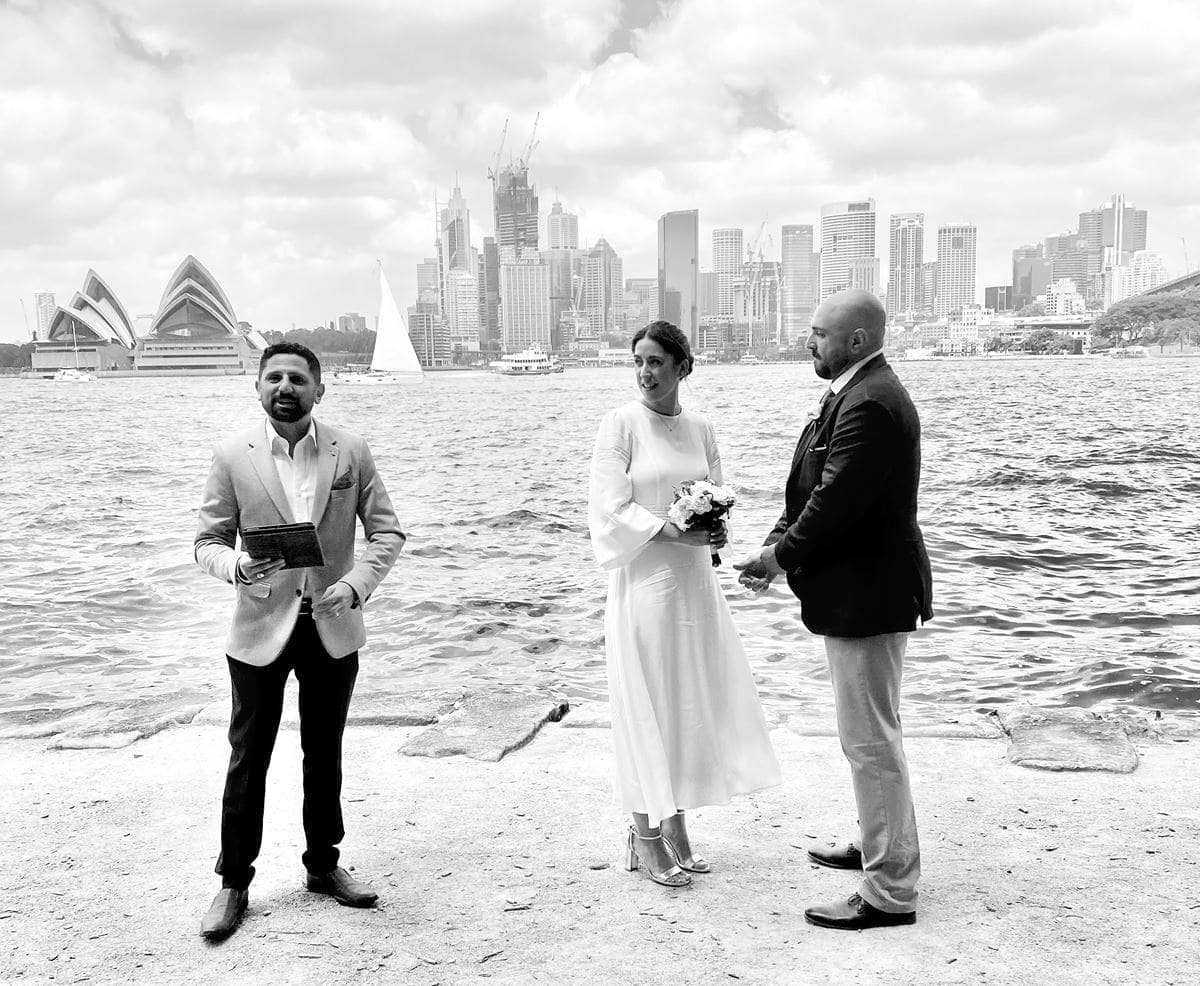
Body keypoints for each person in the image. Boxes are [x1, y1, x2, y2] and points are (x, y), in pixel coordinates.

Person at [735, 289, 933, 931]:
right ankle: (880, 846)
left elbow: (834, 502)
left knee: (871, 741)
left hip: (868, 594)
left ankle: (890, 891)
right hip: (862, 590)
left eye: (819, 333)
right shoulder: (854, 392)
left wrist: (777, 559)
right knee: (869, 736)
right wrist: (776, 545)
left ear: (856, 341)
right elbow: (809, 490)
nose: (809, 342)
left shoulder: (870, 402)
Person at [194, 342, 405, 940]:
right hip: (259, 628)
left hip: (331, 626)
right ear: (258, 386)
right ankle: (234, 881)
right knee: (248, 755)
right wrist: (236, 566)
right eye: (274, 378)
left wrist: (356, 585)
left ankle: (323, 865)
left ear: (319, 389)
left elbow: (387, 533)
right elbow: (206, 541)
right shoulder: (232, 455)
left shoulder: (351, 450)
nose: (284, 387)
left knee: (325, 751)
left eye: (297, 378)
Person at [588, 320, 781, 889]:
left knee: (688, 702)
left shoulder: (701, 427)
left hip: (695, 584)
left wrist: (715, 533)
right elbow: (609, 508)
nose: (645, 373)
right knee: (649, 702)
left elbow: (715, 495)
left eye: (656, 362)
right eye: (638, 361)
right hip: (647, 582)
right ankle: (644, 832)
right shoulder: (620, 424)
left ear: (683, 367)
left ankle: (675, 823)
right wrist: (676, 531)